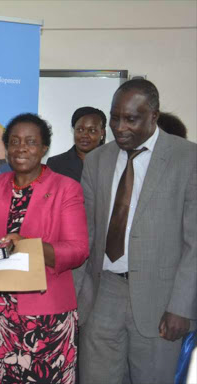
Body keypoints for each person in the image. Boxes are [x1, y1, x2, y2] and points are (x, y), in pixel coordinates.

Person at [76, 79, 197, 384]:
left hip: (161, 302)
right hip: (103, 295)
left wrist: (181, 306)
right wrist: (78, 301)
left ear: (154, 116)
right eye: (114, 117)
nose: (119, 127)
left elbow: (194, 242)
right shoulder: (96, 161)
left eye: (131, 119)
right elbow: (86, 235)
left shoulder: (188, 158)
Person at [0, 113, 89, 383]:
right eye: (14, 141)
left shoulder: (66, 189)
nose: (21, 148)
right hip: (0, 314)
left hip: (47, 316)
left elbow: (77, 250)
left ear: (43, 148)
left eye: (30, 142)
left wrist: (30, 247)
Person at [47, 106, 106, 182]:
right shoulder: (56, 164)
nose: (85, 135)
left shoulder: (113, 162)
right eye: (80, 130)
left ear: (102, 132)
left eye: (92, 130)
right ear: (74, 130)